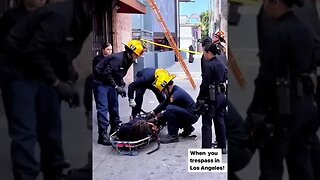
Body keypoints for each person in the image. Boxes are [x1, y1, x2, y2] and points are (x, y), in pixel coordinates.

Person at [0, 0, 101, 179]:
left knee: (51, 127)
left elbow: (63, 52)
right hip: (19, 75)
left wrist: (67, 80)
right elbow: (33, 51)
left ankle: (54, 170)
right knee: (25, 132)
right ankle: (26, 174)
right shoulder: (56, 15)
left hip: (45, 75)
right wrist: (57, 83)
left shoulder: (79, 18)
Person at [247, 0, 319, 179]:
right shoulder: (304, 29)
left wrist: (254, 113)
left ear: (276, 3)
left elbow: (266, 77)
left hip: (281, 109)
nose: (264, 8)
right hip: (306, 106)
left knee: (272, 167)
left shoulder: (276, 32)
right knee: (301, 165)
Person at [93, 39, 147, 146]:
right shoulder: (118, 58)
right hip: (100, 82)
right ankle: (102, 135)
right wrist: (116, 86)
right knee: (103, 108)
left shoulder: (129, 59)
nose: (137, 57)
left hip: (111, 82)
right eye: (136, 55)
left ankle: (115, 128)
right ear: (131, 52)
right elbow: (106, 73)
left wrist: (121, 83)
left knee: (114, 106)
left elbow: (118, 73)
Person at [150, 71, 199, 144]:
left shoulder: (176, 95)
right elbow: (164, 103)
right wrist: (153, 113)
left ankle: (173, 136)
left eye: (163, 91)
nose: (163, 93)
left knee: (170, 109)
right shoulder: (174, 90)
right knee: (172, 110)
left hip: (192, 116)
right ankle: (188, 128)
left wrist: (157, 118)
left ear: (166, 87)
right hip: (191, 114)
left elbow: (166, 110)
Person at [196, 43, 228, 154]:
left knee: (206, 124)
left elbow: (205, 84)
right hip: (221, 96)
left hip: (211, 97)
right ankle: (222, 146)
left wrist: (200, 98)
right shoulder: (220, 64)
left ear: (209, 53)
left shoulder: (208, 65)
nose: (204, 54)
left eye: (204, 52)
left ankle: (206, 151)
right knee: (219, 121)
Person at [83, 42, 112, 128]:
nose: (110, 51)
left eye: (111, 49)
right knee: (101, 105)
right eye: (108, 49)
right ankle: (98, 121)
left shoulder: (113, 58)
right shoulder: (97, 59)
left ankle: (109, 120)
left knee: (110, 104)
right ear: (103, 50)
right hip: (99, 83)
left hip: (109, 84)